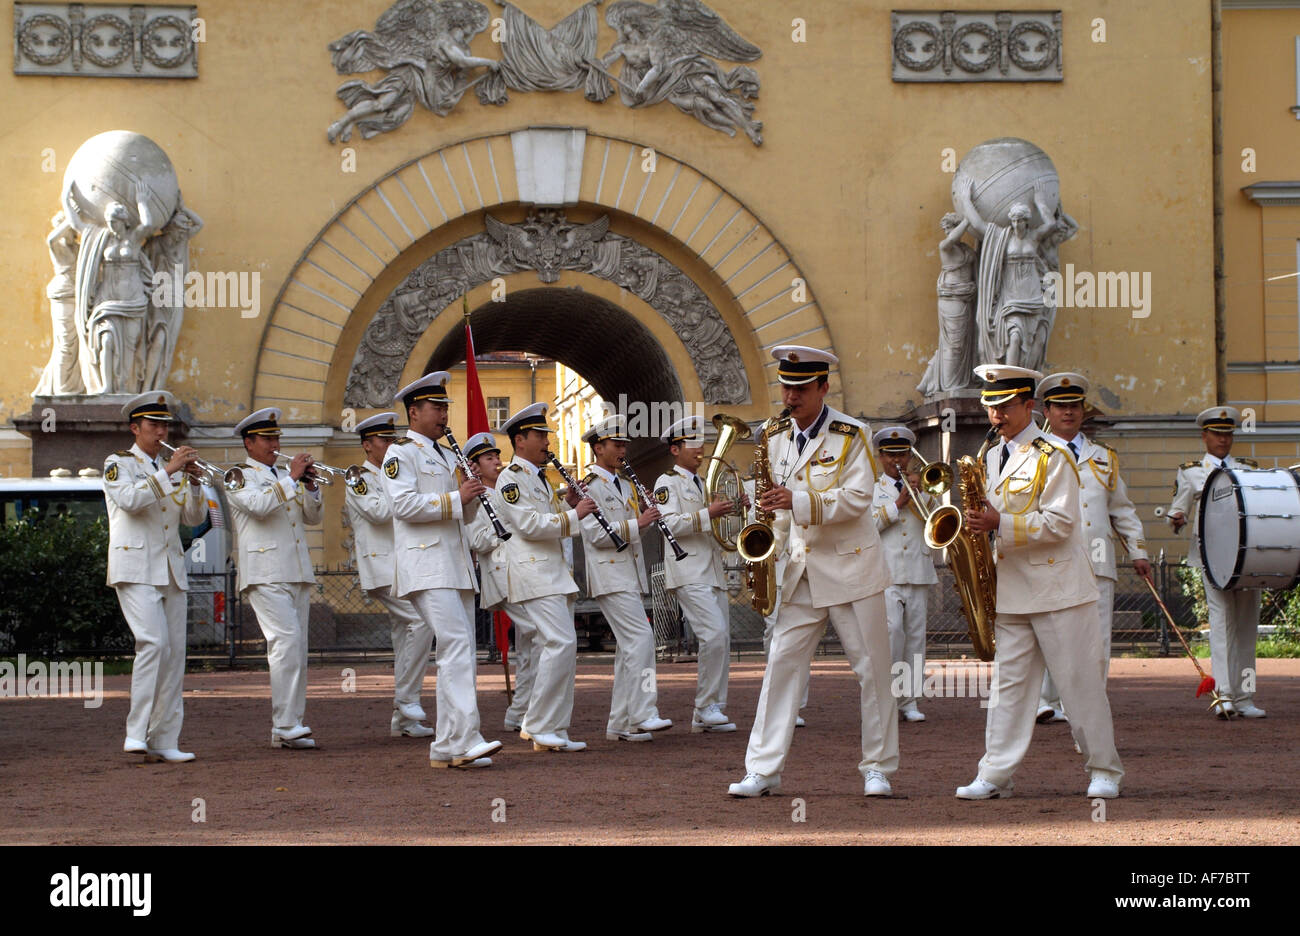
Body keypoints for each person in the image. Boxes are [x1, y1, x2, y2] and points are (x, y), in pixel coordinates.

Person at [728, 346, 898, 798]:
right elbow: (772, 501)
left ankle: (877, 767)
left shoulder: (852, 433)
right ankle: (762, 769)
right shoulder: (774, 434)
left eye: (801, 388)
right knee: (781, 666)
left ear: (823, 387)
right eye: (786, 386)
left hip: (852, 568)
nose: (790, 396)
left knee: (872, 671)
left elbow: (859, 499)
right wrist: (762, 538)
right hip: (799, 570)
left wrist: (797, 502)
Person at [955, 365, 1123, 800]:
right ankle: (995, 774)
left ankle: (1104, 770)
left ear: (1029, 405)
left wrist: (999, 521)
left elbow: (1063, 524)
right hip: (1012, 591)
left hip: (1059, 591)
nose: (996, 416)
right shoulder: (992, 456)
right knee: (1008, 689)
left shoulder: (1054, 455)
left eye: (1005, 407)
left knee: (1079, 685)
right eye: (990, 407)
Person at [384, 372, 501, 768]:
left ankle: (449, 746)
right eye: (437, 408)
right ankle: (465, 737)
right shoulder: (401, 453)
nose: (444, 415)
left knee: (461, 650)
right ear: (414, 412)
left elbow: (462, 516)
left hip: (453, 564)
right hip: (425, 562)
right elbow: (403, 506)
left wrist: (470, 494)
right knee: (455, 645)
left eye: (445, 408)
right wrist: (456, 497)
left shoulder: (447, 455)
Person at [1036, 373, 1151, 723]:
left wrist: (1139, 551)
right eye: (1060, 407)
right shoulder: (1032, 454)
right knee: (1051, 634)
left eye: (1074, 406)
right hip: (1051, 560)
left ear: (1083, 410)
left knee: (1095, 643)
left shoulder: (1103, 457)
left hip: (1097, 563)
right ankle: (1045, 700)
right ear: (1047, 410)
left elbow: (1122, 509)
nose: (1068, 413)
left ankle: (1087, 710)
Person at [103, 391, 206, 763]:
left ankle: (164, 738)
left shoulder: (170, 468)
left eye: (165, 424)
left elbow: (192, 519)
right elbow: (130, 501)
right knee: (153, 644)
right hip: (135, 568)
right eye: (154, 425)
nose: (162, 430)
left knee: (174, 654)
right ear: (135, 428)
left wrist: (195, 483)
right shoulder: (118, 463)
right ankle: (135, 732)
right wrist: (171, 471)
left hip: (170, 570)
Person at [492, 403, 597, 752]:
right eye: (539, 436)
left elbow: (552, 523)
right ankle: (537, 724)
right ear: (519, 440)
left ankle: (554, 726)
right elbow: (529, 525)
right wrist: (575, 514)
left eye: (546, 436)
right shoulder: (510, 478)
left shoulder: (539, 478)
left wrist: (569, 506)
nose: (546, 442)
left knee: (565, 648)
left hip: (552, 574)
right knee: (559, 644)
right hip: (534, 573)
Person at [226, 407, 323, 749]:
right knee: (285, 642)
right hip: (264, 572)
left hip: (294, 569)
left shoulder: (286, 476)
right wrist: (293, 478)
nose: (274, 443)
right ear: (249, 443)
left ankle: (290, 724)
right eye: (267, 438)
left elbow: (311, 517)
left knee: (297, 647)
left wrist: (310, 488)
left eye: (277, 437)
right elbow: (259, 507)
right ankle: (284, 723)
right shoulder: (238, 476)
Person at [579, 414, 672, 742]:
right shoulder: (588, 486)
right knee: (642, 640)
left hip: (628, 573)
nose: (622, 450)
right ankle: (644, 710)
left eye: (624, 445)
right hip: (609, 573)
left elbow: (633, 533)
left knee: (629, 648)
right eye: (616, 445)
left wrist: (645, 518)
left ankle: (620, 722)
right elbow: (594, 534)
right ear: (598, 448)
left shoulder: (625, 484)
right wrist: (639, 522)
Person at [1167, 406, 1264, 718]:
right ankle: (1223, 695)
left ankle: (1244, 698)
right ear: (1205, 436)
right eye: (1218, 434)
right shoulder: (1191, 471)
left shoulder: (1249, 469)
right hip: (1214, 558)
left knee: (1247, 628)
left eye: (1228, 434)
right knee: (1221, 624)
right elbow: (1176, 510)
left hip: (1248, 556)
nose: (1224, 440)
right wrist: (1178, 519)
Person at [344, 412, 432, 739]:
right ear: (368, 445)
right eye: (384, 440)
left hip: (403, 565)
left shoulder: (393, 474)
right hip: (382, 567)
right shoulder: (359, 478)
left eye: (394, 439)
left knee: (404, 638)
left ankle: (404, 721)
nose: (391, 445)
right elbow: (381, 513)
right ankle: (406, 700)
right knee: (422, 621)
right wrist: (406, 493)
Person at [653, 415, 739, 733]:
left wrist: (732, 507)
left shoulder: (704, 483)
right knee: (713, 635)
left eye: (701, 442)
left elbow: (712, 525)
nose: (700, 448)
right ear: (675, 449)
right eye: (692, 443)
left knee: (721, 639)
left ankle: (712, 709)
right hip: (688, 569)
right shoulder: (667, 482)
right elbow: (669, 524)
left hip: (712, 569)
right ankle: (704, 707)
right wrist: (708, 513)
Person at [871, 426, 939, 722]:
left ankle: (909, 701)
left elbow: (936, 522)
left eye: (902, 453)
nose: (897, 460)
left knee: (914, 638)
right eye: (891, 454)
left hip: (918, 569)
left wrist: (925, 494)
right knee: (891, 633)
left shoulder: (922, 486)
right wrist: (897, 504)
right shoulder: (872, 490)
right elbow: (868, 528)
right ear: (881, 456)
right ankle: (885, 699)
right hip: (886, 571)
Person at [461, 430, 527, 734]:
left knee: (531, 644)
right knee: (541, 635)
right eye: (489, 458)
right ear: (475, 465)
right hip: (500, 576)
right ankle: (523, 710)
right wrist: (502, 532)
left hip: (522, 574)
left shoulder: (507, 488)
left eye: (498, 456)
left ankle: (521, 711)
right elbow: (475, 539)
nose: (497, 462)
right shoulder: (475, 496)